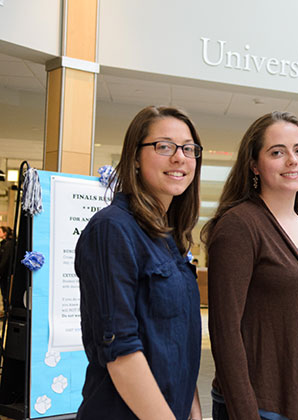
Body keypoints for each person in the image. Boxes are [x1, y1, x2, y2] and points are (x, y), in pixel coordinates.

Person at [202, 111, 298, 420]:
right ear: (254, 165)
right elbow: (225, 332)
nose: (292, 160)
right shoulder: (239, 225)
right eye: (277, 152)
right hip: (258, 407)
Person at [74, 106, 203, 420]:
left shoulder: (168, 236)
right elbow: (121, 352)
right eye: (164, 146)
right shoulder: (112, 230)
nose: (180, 157)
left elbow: (179, 345)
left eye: (188, 148)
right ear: (134, 157)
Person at [0, 226, 14, 314]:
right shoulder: (4, 244)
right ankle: (5, 310)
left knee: (6, 292)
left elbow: (5, 260)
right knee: (4, 292)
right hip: (3, 273)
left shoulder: (9, 244)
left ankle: (7, 310)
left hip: (6, 273)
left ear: (5, 233)